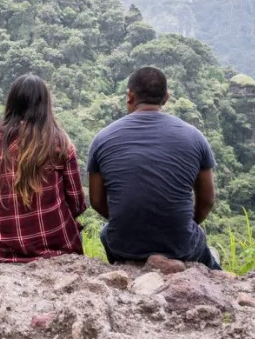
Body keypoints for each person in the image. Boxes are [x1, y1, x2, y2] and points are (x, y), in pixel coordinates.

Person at [87, 66, 220, 269]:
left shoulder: (102, 138)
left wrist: (130, 222)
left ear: (130, 96)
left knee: (106, 232)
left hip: (123, 244)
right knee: (208, 256)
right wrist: (179, 224)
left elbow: (96, 201)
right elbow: (207, 200)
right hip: (180, 245)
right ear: (166, 98)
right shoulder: (195, 137)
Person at [0, 74, 87, 263]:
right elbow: (76, 204)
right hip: (57, 247)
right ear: (45, 105)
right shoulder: (58, 142)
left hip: (5, 250)